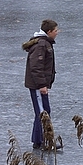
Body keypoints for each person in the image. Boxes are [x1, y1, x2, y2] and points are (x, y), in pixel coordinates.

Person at [22, 19, 62, 150]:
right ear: (49, 32)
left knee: (42, 111)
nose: (57, 33)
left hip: (39, 85)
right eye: (56, 31)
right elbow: (36, 67)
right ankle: (45, 141)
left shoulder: (44, 43)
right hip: (37, 86)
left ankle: (38, 140)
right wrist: (42, 85)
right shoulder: (41, 45)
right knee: (43, 113)